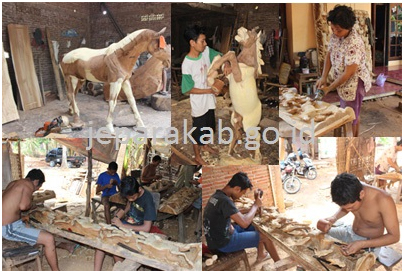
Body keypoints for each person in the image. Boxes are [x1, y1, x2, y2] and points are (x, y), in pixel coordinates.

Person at [315, 5, 372, 137]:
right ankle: (346, 133)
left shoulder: (354, 43)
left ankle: (353, 138)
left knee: (351, 115)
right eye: (333, 28)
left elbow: (348, 73)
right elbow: (329, 54)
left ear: (349, 27)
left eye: (338, 30)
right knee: (346, 111)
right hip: (342, 81)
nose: (335, 32)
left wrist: (329, 88)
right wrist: (324, 77)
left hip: (354, 83)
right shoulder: (336, 35)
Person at [2, 169, 76, 271]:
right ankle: (56, 270)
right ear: (36, 181)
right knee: (49, 238)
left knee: (39, 231)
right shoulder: (28, 185)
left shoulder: (14, 183)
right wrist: (32, 205)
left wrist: (22, 218)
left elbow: (10, 205)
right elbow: (23, 206)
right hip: (8, 228)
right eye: (38, 187)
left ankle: (65, 246)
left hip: (11, 223)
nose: (36, 190)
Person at [203, 172, 280, 263]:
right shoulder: (225, 201)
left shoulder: (217, 196)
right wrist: (255, 205)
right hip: (223, 243)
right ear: (237, 189)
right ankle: (279, 263)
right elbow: (244, 223)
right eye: (242, 193)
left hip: (217, 238)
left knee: (257, 228)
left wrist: (249, 209)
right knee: (265, 237)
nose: (241, 196)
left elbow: (231, 212)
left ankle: (261, 256)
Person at [317, 173, 400, 256]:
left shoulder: (383, 200)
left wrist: (362, 244)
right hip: (350, 232)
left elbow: (394, 236)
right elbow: (346, 206)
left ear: (362, 194)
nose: (347, 210)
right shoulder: (350, 188)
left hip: (369, 243)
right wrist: (334, 218)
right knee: (317, 236)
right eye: (344, 208)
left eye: (351, 207)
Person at [181, 25, 229, 165]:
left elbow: (219, 55)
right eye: (202, 41)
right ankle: (197, 156)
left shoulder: (206, 52)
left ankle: (205, 145)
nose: (205, 43)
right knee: (197, 132)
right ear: (192, 43)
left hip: (209, 101)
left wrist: (226, 63)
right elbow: (187, 89)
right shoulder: (187, 64)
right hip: (199, 104)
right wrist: (209, 90)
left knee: (209, 127)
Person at [94, 176, 157, 270]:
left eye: (132, 197)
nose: (131, 199)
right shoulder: (132, 192)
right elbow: (127, 206)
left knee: (116, 244)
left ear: (139, 189)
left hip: (138, 230)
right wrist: (117, 217)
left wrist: (122, 225)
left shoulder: (147, 200)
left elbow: (146, 228)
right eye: (128, 198)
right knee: (102, 238)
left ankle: (121, 266)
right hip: (127, 224)